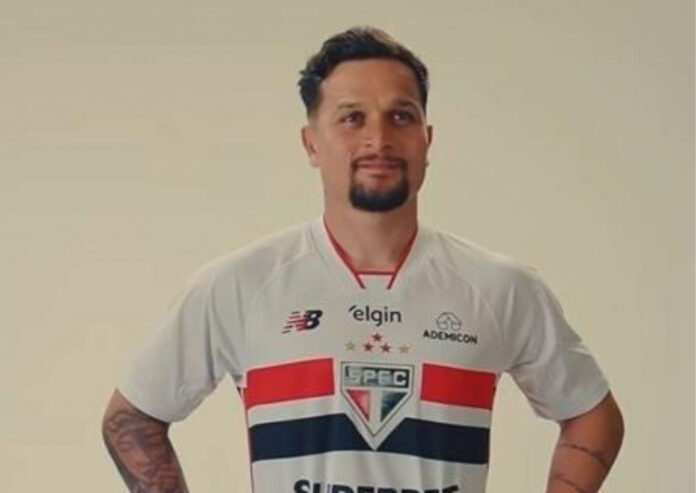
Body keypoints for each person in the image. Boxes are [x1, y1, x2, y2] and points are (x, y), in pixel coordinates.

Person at [102, 26, 624, 493]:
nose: (379, 139)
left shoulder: (500, 287)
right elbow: (132, 418)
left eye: (401, 116)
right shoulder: (242, 284)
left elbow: (593, 415)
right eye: (352, 118)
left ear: (427, 140)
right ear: (311, 143)